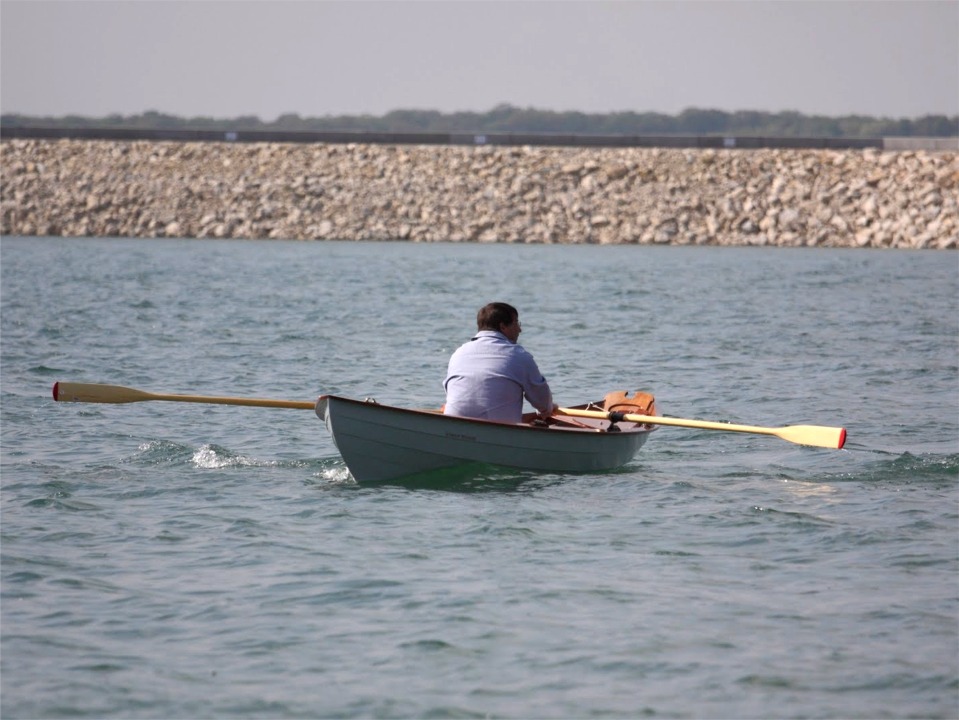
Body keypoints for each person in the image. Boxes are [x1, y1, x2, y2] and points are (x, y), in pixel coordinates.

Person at [444, 302, 556, 423]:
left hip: (452, 424)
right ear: (503, 326)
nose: (520, 329)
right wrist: (547, 409)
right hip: (499, 431)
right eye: (516, 323)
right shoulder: (519, 355)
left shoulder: (458, 353)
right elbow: (542, 400)